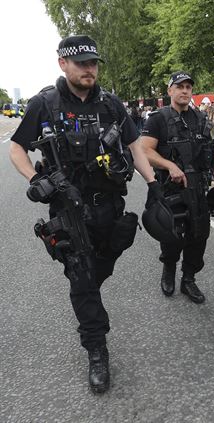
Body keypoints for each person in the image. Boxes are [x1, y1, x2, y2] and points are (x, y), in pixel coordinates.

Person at [9, 35, 160, 393]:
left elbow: (135, 146)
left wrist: (154, 186)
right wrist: (35, 178)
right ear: (63, 63)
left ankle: (90, 291)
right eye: (82, 64)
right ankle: (96, 349)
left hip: (109, 205)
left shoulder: (111, 105)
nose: (89, 69)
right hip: (68, 209)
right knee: (81, 276)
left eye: (93, 63)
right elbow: (17, 149)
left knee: (105, 261)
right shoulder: (44, 104)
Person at [141, 71, 214, 303]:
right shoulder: (158, 119)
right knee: (172, 238)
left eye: (188, 87)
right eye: (179, 86)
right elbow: (144, 151)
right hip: (171, 191)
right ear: (170, 90)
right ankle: (169, 270)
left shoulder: (202, 119)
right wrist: (169, 164)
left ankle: (188, 280)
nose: (184, 90)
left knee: (198, 237)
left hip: (199, 190)